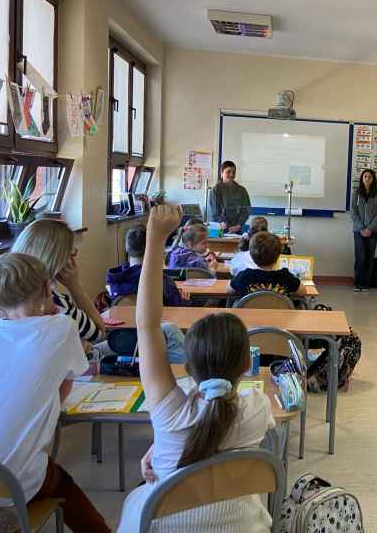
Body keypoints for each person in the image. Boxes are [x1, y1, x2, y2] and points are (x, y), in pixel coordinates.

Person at [117, 205, 275, 532]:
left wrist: (155, 239)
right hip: (242, 527)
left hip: (161, 525)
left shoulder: (170, 412)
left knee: (138, 497)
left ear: (187, 365)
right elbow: (214, 428)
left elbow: (147, 324)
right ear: (247, 364)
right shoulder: (257, 409)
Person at [0, 253, 110, 533]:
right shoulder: (63, 326)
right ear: (48, 288)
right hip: (7, 483)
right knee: (62, 483)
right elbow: (68, 382)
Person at [12, 219, 105, 344]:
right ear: (57, 258)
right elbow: (99, 334)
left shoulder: (8, 297)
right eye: (71, 252)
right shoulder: (56, 304)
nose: (72, 257)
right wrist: (75, 286)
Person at [107, 225, 187, 306]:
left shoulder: (114, 281)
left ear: (127, 248)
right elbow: (179, 307)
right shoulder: (162, 280)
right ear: (153, 248)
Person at [230, 231, 304, 297]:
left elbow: (229, 291)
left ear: (251, 256)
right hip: (278, 309)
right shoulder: (286, 277)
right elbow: (303, 291)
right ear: (278, 256)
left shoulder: (244, 277)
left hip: (250, 309)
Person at [350, 168, 377, 292]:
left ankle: (366, 284)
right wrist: (362, 228)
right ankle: (357, 283)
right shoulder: (356, 194)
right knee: (360, 256)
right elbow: (353, 212)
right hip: (359, 231)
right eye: (365, 176)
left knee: (369, 257)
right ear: (362, 178)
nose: (367, 179)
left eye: (370, 177)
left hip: (373, 231)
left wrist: (370, 228)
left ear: (373, 179)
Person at [208, 160, 251, 233]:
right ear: (221, 173)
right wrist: (223, 223)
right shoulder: (215, 190)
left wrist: (239, 225)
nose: (231, 175)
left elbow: (246, 210)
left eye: (233, 172)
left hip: (236, 229)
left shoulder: (242, 190)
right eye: (228, 172)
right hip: (219, 229)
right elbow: (215, 212)